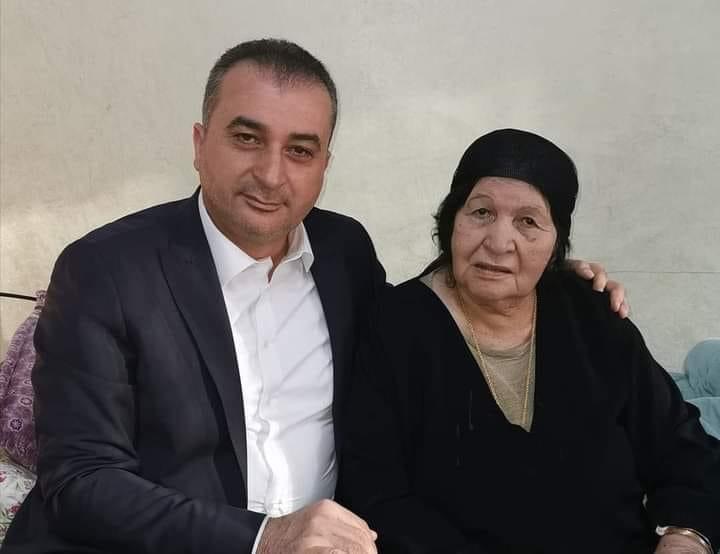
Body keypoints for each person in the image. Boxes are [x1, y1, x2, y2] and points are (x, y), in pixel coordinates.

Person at [3, 42, 623, 554]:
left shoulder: (344, 251)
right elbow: (82, 480)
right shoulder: (107, 269)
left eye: (300, 150)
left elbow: (423, 324)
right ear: (199, 143)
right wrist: (263, 539)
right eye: (247, 138)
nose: (272, 174)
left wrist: (543, 278)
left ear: (325, 163)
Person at [339, 129, 720, 554]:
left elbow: (682, 448)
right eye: (481, 212)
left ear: (556, 242)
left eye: (528, 222)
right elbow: (377, 497)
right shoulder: (394, 327)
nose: (499, 243)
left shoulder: (590, 314)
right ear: (451, 222)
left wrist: (686, 538)